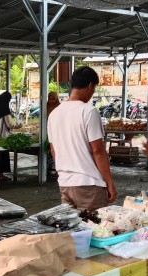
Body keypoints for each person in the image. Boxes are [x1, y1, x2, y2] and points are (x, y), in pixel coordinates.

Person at [48, 66, 117, 210]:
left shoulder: (54, 114)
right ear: (90, 85)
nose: (92, 93)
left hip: (65, 184)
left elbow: (54, 151)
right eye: (94, 89)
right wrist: (109, 182)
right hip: (89, 185)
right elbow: (98, 151)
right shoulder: (89, 111)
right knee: (96, 229)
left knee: (73, 229)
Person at [0, 91, 20, 181]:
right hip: (2, 138)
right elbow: (9, 125)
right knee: (1, 157)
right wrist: (18, 126)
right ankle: (1, 175)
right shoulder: (5, 111)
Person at [46, 91, 61, 177]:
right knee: (49, 150)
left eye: (53, 99)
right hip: (48, 131)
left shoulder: (59, 107)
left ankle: (56, 168)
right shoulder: (45, 107)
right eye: (49, 99)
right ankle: (49, 168)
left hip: (58, 132)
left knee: (57, 150)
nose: (51, 101)